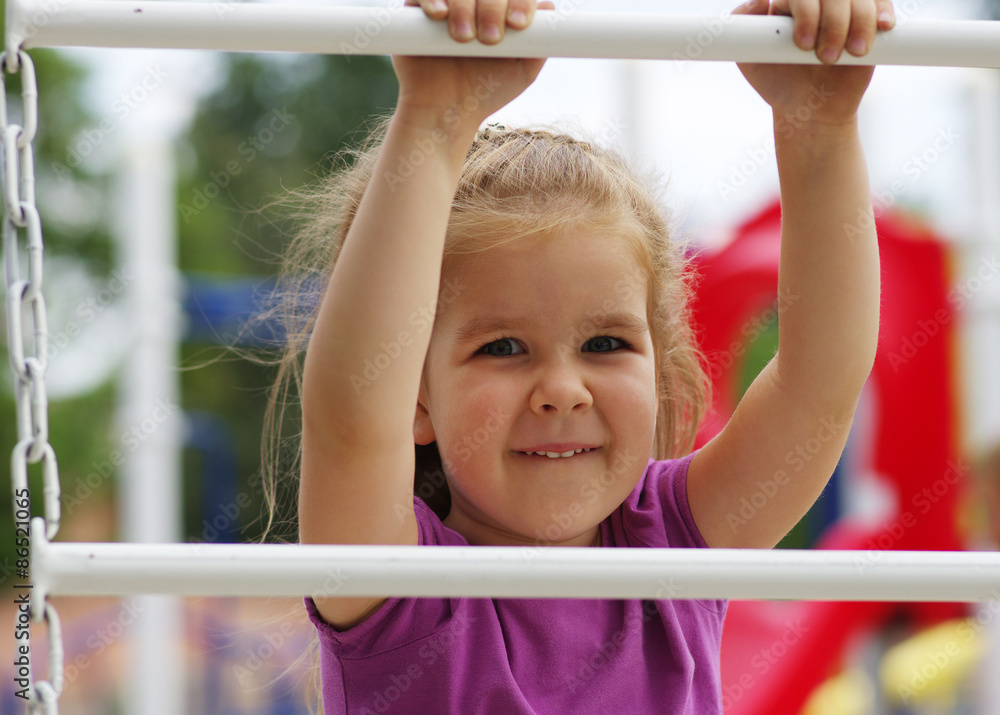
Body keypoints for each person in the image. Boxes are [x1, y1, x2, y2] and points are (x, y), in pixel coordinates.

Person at [267, 0, 896, 711]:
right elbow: (352, 420)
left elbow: (819, 384)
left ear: (659, 372)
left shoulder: (674, 542)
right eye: (502, 347)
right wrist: (437, 119)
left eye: (606, 343)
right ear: (415, 397)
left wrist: (820, 131)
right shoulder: (400, 590)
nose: (562, 389)